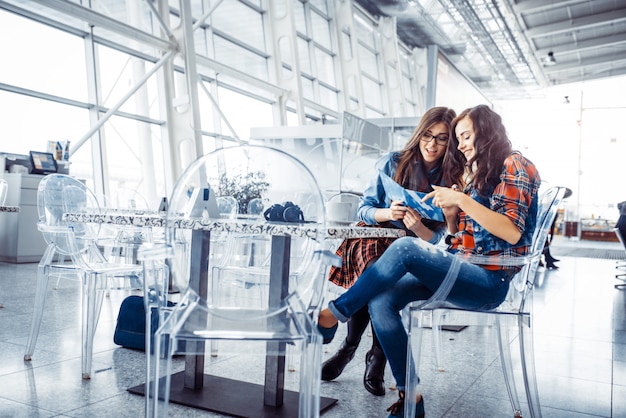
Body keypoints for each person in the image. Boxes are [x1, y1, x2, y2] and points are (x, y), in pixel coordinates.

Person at [317, 105, 542, 418]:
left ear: (486, 132)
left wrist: (460, 201)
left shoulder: (515, 164)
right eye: (458, 138)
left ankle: (332, 314)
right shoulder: (479, 173)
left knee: (406, 247)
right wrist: (452, 216)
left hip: (489, 282)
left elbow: (512, 232)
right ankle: (411, 397)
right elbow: (458, 237)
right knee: (382, 299)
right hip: (464, 267)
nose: (460, 144)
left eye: (464, 136)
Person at [321, 107, 462, 396]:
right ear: (419, 133)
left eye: (442, 139)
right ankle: (363, 353)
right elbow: (365, 209)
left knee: (387, 274)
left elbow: (436, 237)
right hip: (372, 235)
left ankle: (360, 349)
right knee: (376, 267)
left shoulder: (451, 178)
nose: (432, 145)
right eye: (427, 135)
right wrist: (388, 213)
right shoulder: (393, 162)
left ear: (452, 144)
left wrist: (418, 226)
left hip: (408, 246)